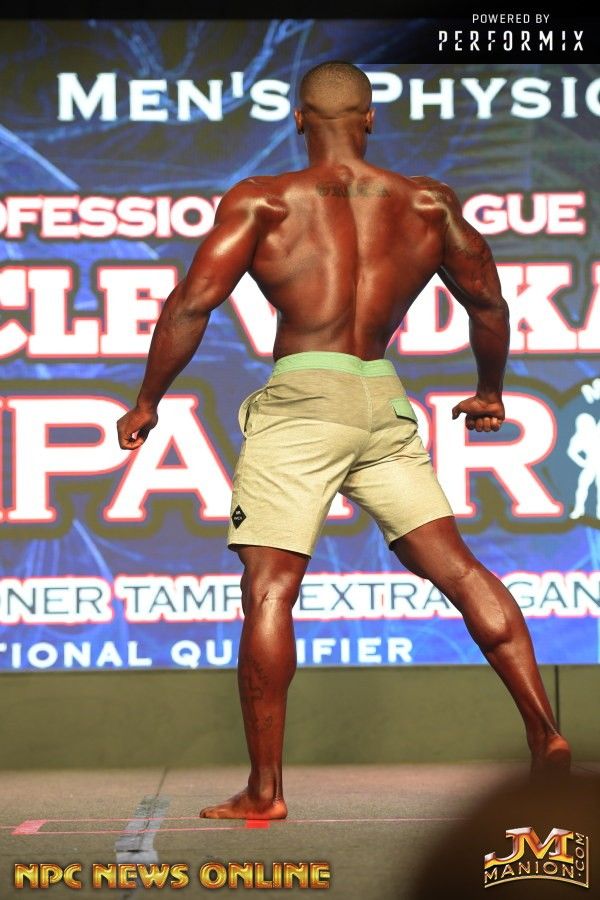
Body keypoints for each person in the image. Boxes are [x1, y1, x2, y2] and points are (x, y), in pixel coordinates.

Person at [117, 60, 571, 820]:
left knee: (269, 587)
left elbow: (192, 303)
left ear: (300, 119)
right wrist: (490, 390)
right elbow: (488, 302)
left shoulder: (264, 201)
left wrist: (147, 401)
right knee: (460, 570)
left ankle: (265, 791)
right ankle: (545, 732)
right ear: (369, 118)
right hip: (380, 398)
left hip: (303, 399)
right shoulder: (426, 202)